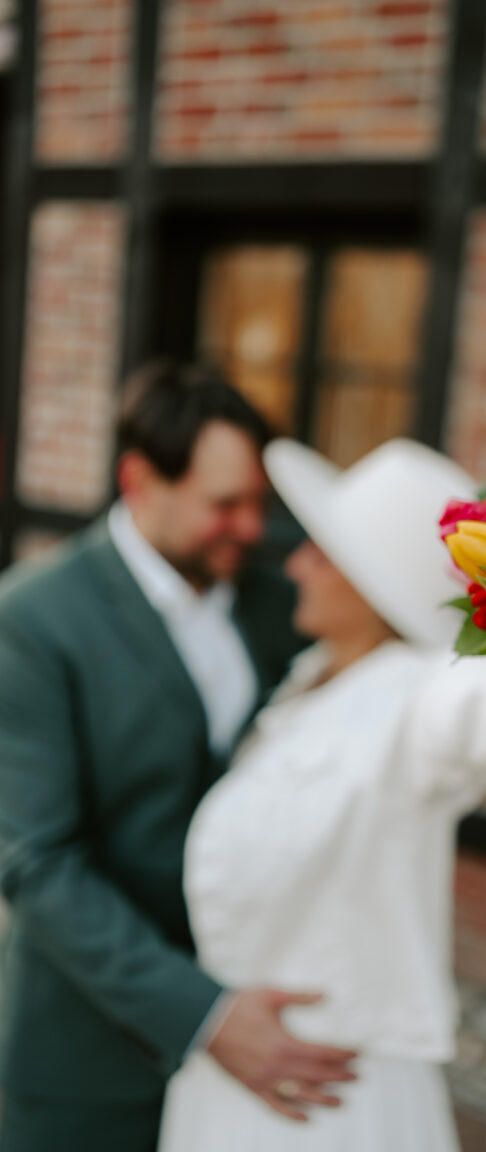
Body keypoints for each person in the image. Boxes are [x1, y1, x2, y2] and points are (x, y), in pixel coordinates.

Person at [158, 437, 486, 1152]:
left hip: (329, 1093)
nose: (295, 563)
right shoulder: (312, 675)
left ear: (372, 582)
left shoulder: (424, 698)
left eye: (320, 552)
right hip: (236, 1066)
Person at [0, 364, 357, 1152]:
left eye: (259, 503)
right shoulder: (32, 619)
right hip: (88, 1056)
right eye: (224, 504)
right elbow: (37, 864)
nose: (251, 527)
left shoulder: (278, 593)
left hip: (267, 1029)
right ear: (138, 481)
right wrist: (205, 1017)